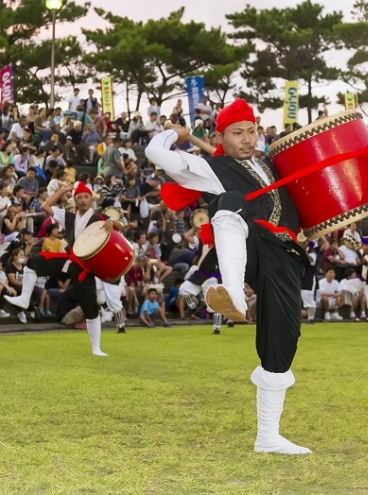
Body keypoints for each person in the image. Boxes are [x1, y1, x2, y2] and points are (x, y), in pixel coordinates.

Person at [146, 98, 312, 455]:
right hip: (252, 244)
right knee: (227, 200)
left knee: (284, 338)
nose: (248, 139)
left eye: (252, 131)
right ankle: (233, 292)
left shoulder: (272, 165)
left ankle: (268, 435)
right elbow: (155, 153)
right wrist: (171, 133)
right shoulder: (212, 166)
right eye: (238, 133)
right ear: (221, 136)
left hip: (284, 256)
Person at [3, 182, 122, 356]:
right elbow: (46, 205)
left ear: (91, 199)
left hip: (85, 268)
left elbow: (120, 226)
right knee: (33, 262)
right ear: (74, 200)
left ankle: (96, 347)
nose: (82, 200)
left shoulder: (99, 218)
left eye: (85, 197)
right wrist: (64, 190)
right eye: (79, 197)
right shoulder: (69, 216)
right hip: (70, 261)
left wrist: (112, 221)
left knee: (90, 308)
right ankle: (24, 299)